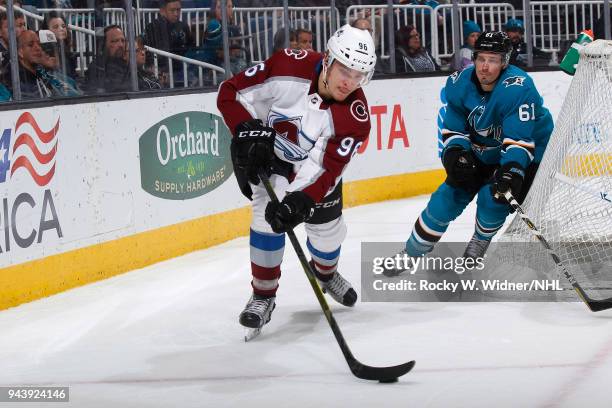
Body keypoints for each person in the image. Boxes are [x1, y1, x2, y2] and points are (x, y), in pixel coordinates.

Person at [217, 25, 377, 332]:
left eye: (359, 76)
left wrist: (300, 200)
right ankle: (263, 295)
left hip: (312, 171)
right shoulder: (288, 66)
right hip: (270, 157)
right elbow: (230, 94)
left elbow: (326, 169)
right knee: (265, 219)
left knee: (327, 233)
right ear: (328, 59)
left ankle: (327, 274)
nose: (350, 82)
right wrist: (247, 132)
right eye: (345, 70)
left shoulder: (355, 119)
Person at [387, 32, 553, 274]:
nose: (485, 67)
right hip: (482, 147)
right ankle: (412, 252)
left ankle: (480, 240)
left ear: (505, 62)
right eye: (481, 58)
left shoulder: (519, 88)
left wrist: (512, 171)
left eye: (493, 60)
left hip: (529, 149)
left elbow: (519, 139)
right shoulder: (458, 83)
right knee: (445, 199)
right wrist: (455, 153)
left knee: (493, 198)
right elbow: (453, 128)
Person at [143, 0, 194, 78]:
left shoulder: (183, 26)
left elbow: (191, 47)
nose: (176, 14)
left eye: (178, 10)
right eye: (172, 10)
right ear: (162, 11)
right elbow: (148, 53)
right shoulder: (152, 27)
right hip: (161, 70)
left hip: (182, 68)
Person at [84, 25, 131, 94]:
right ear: (103, 45)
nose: (121, 45)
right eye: (115, 41)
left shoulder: (129, 65)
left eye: (123, 40)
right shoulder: (97, 68)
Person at [42, 12, 77, 78]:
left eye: (63, 26)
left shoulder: (69, 54)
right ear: (46, 30)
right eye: (56, 27)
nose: (61, 29)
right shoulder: (44, 54)